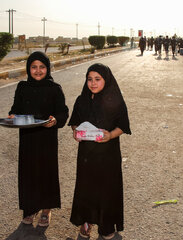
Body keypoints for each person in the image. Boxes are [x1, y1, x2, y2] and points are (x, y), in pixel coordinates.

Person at [68, 63, 131, 239]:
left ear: (106, 79)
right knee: (86, 187)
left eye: (98, 79)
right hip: (86, 154)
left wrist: (110, 135)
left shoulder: (115, 100)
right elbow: (75, 121)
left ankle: (106, 225)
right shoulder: (82, 100)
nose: (93, 83)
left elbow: (123, 126)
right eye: (89, 79)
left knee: (107, 189)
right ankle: (86, 221)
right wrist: (76, 131)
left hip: (108, 155)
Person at [8, 51, 69, 227]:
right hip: (27, 139)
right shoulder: (22, 87)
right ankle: (30, 209)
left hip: (47, 138)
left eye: (42, 67)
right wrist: (12, 115)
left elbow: (63, 112)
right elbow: (15, 109)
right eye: (34, 67)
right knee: (28, 174)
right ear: (28, 69)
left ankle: (46, 210)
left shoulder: (54, 88)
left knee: (46, 173)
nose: (38, 71)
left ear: (47, 68)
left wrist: (55, 120)